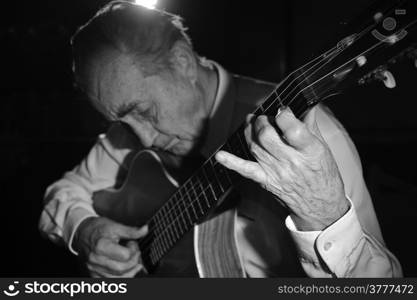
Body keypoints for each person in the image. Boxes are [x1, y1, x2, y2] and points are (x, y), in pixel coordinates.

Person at [39, 1, 402, 278]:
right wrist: (84, 229)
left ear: (181, 62)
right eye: (119, 119)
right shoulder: (128, 134)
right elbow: (64, 192)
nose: (142, 138)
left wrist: (325, 216)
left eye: (144, 110)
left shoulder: (309, 134)